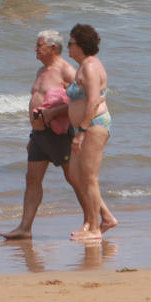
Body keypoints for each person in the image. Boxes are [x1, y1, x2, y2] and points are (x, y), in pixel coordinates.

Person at [2, 30, 80, 240]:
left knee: (74, 178)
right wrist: (32, 136)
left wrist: (55, 113)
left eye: (39, 46)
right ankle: (25, 228)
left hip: (57, 133)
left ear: (53, 48)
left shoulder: (67, 71)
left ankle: (99, 218)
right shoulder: (41, 71)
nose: (35, 49)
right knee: (32, 179)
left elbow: (81, 101)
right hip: (38, 135)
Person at [64, 24, 116, 242]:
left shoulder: (91, 67)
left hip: (93, 125)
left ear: (81, 45)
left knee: (89, 178)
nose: (68, 46)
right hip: (84, 126)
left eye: (70, 43)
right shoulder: (82, 66)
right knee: (77, 176)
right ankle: (105, 218)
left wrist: (81, 131)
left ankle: (95, 228)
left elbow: (94, 100)